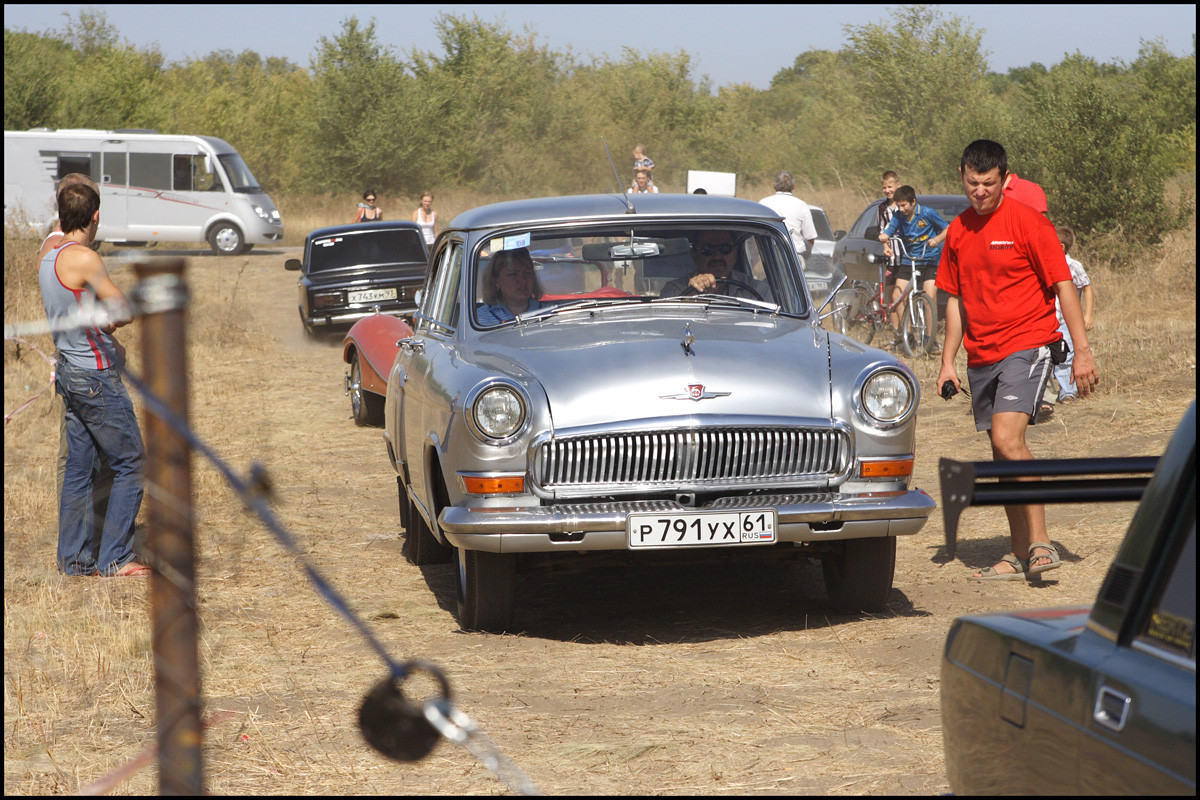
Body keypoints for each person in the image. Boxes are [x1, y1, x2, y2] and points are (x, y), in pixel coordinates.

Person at [935, 139, 1098, 581]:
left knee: (1009, 438)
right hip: (981, 353)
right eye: (973, 183)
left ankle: (1041, 543)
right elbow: (954, 301)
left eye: (989, 184)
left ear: (1005, 180)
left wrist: (1082, 351)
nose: (980, 192)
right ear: (962, 177)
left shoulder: (1028, 223)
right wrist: (947, 361)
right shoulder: (958, 232)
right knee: (1002, 454)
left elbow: (1065, 286)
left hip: (1028, 343)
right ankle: (1016, 551)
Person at [39, 182, 148, 577]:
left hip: (68, 369)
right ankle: (116, 557)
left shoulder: (48, 257)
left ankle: (73, 560)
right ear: (96, 216)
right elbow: (123, 311)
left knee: (80, 468)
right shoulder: (84, 258)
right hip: (95, 375)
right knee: (131, 462)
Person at [39, 173, 116, 543]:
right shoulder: (60, 248)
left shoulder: (61, 248)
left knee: (85, 455)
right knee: (76, 458)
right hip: (82, 365)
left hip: (79, 361)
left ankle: (84, 537)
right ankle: (81, 536)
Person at [878, 184, 949, 346]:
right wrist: (884, 238)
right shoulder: (898, 216)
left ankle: (930, 340)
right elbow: (888, 232)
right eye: (899, 205)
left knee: (929, 296)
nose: (901, 209)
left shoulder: (927, 213)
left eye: (904, 205)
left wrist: (936, 240)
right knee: (896, 296)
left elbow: (947, 229)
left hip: (929, 259)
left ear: (913, 202)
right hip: (908, 260)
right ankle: (908, 335)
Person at [660, 230, 772, 301]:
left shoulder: (758, 291)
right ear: (694, 254)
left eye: (725, 249)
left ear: (735, 252)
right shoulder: (674, 290)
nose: (717, 256)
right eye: (708, 249)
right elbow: (668, 326)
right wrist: (692, 294)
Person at [1050, 225, 1094, 405]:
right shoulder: (1046, 263)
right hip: (1049, 320)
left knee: (1066, 356)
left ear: (1060, 247)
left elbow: (1087, 287)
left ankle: (1067, 392)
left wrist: (1088, 315)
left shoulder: (1073, 266)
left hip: (1066, 321)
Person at [477, 247, 547, 325]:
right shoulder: (479, 319)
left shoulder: (548, 313)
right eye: (513, 274)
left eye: (527, 273)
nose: (523, 280)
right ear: (495, 280)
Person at [757, 170, 817, 260]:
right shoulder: (801, 205)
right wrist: (805, 257)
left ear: (774, 185)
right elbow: (810, 238)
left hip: (770, 257)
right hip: (795, 257)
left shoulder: (763, 203)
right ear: (793, 186)